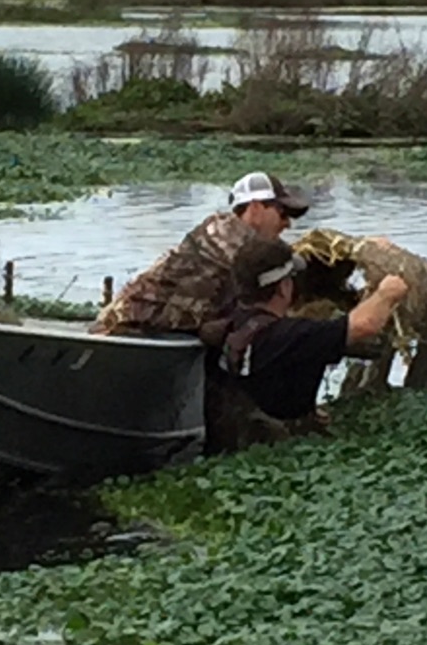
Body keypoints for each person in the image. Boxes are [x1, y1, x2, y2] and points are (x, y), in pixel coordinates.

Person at [200, 235, 408, 452]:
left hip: (230, 441)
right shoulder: (289, 336)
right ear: (283, 287)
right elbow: (364, 325)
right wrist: (387, 292)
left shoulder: (230, 322)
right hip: (274, 446)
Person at [91, 171, 311, 336]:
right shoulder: (226, 239)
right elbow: (264, 271)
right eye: (282, 213)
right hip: (126, 327)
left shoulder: (241, 240)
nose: (287, 223)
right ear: (255, 209)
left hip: (159, 328)